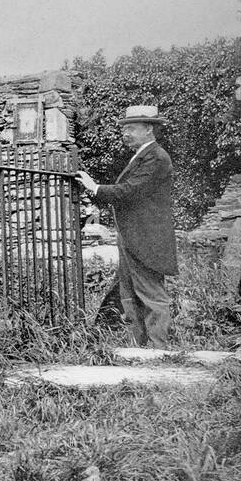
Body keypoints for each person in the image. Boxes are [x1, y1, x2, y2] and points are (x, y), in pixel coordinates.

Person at [76, 105, 177, 349]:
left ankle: (158, 350)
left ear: (149, 129)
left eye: (131, 128)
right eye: (124, 128)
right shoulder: (142, 155)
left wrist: (95, 187)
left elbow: (130, 191)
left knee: (152, 295)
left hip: (147, 238)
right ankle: (138, 348)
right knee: (129, 295)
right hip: (133, 236)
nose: (125, 133)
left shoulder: (157, 157)